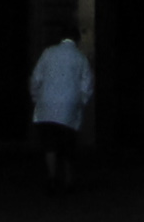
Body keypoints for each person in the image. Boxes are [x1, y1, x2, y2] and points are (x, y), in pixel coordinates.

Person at [28, 30, 93, 194]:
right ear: (77, 40)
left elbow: (36, 78)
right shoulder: (80, 58)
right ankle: (68, 179)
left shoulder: (48, 53)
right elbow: (87, 85)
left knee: (50, 145)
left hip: (46, 106)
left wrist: (37, 99)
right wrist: (81, 102)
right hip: (69, 108)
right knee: (68, 146)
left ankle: (51, 177)